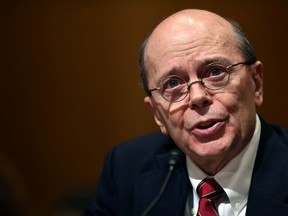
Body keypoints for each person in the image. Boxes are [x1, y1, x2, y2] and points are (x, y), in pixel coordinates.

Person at [83, 9, 288, 216]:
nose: (198, 97)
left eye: (215, 72)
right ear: (157, 113)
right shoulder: (126, 169)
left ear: (256, 83)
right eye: (173, 83)